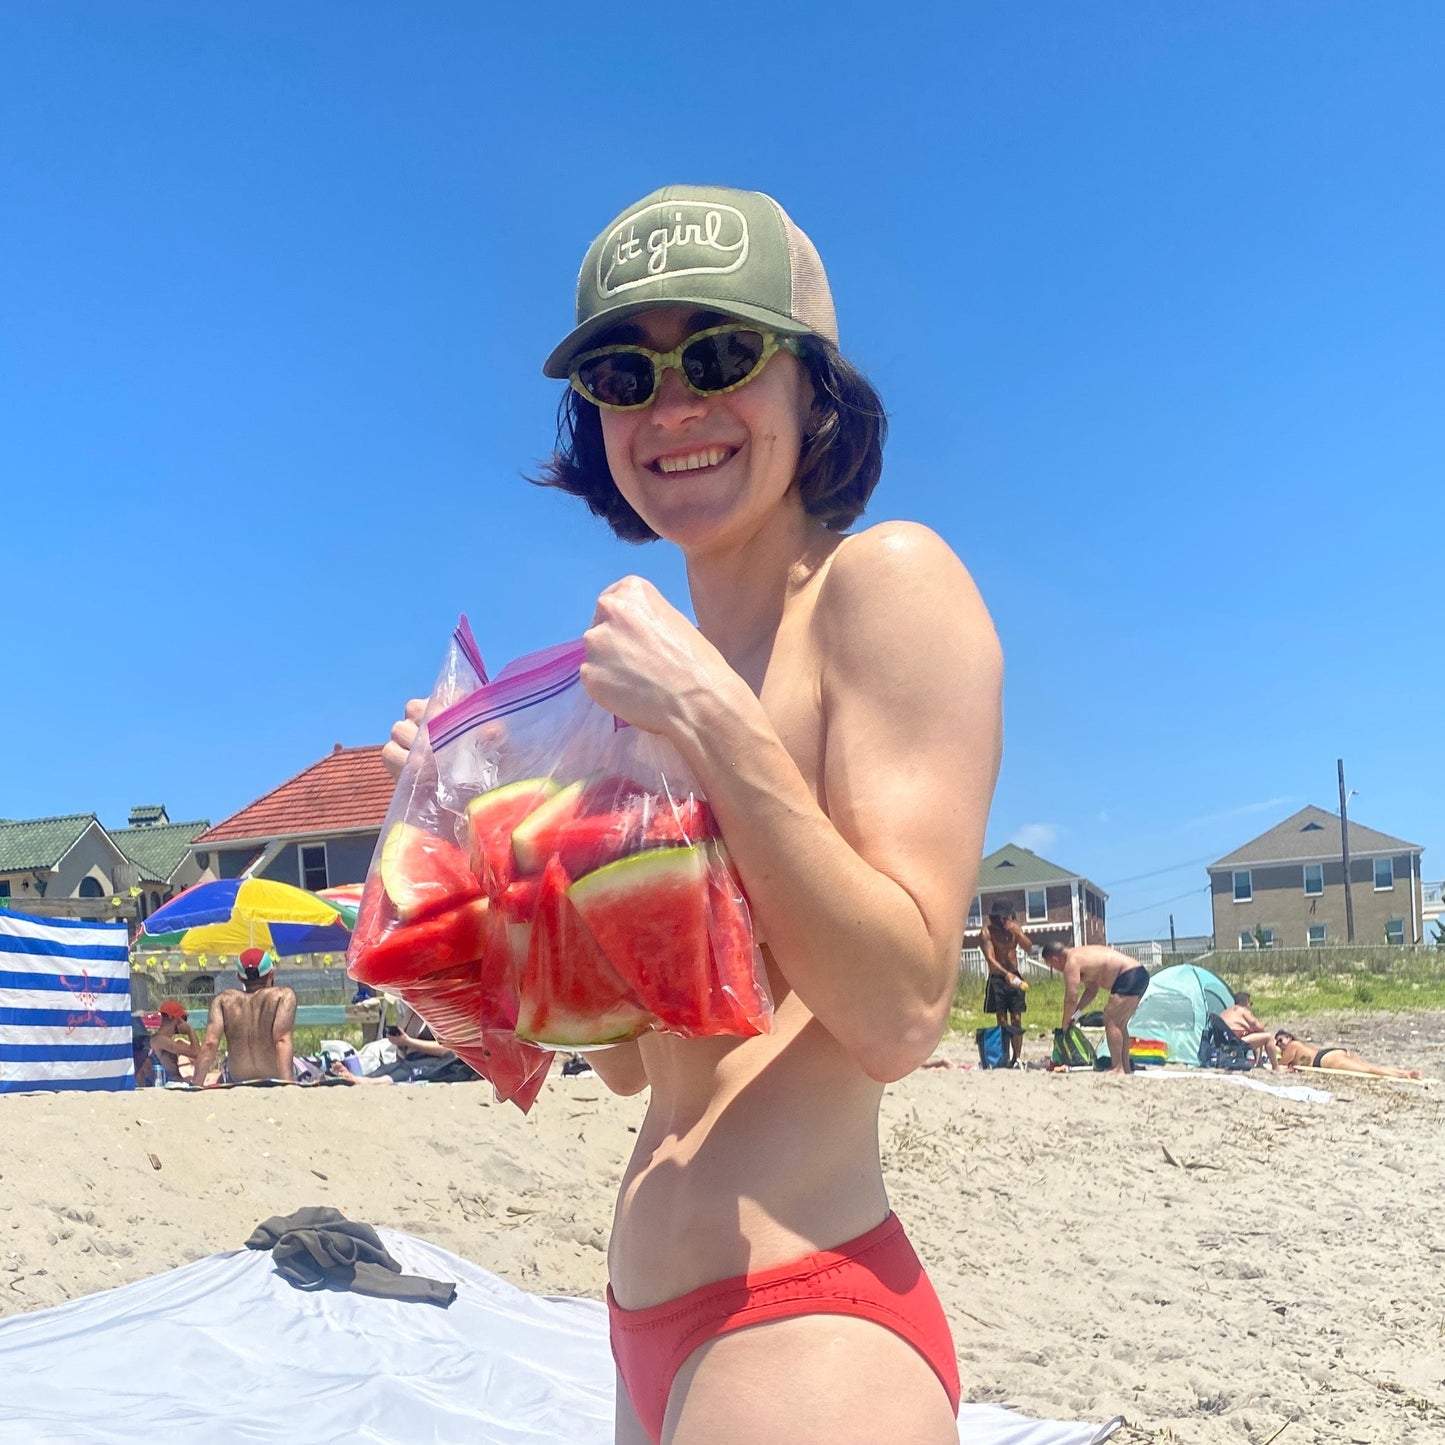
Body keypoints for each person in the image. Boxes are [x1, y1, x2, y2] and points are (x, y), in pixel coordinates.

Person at [383, 185, 1002, 1444]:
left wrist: (712, 720)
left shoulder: (877, 587)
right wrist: (471, 863)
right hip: (644, 1322)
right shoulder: (628, 692)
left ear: (811, 388)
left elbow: (898, 1010)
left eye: (718, 357)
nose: (672, 408)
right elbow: (622, 1061)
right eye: (625, 372)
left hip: (803, 1318)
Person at [1040, 940, 1149, 1077]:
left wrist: (1065, 1023)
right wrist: (1076, 1014)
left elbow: (1071, 998)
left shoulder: (1071, 962)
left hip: (1128, 975)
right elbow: (1092, 990)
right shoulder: (1081, 956)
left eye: (1051, 965)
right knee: (1119, 1024)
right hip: (1138, 974)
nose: (1054, 969)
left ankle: (1118, 1067)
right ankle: (1125, 1066)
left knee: (1111, 1020)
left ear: (1055, 959)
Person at [191, 947, 298, 1086]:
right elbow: (282, 1040)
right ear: (271, 973)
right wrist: (287, 1085)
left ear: (239, 976)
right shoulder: (283, 995)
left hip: (238, 1079)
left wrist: (196, 1085)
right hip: (274, 1077)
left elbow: (210, 1043)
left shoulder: (223, 1000)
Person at [976, 900, 1033, 1067]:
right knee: (1001, 1019)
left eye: (1005, 917)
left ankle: (1017, 1057)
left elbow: (1029, 948)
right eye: (999, 918)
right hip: (998, 978)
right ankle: (1004, 1056)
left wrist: (1019, 934)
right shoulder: (987, 932)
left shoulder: (1014, 929)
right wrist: (1005, 974)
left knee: (1017, 1017)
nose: (1002, 921)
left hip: (1015, 975)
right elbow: (990, 959)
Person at [1273, 1030, 1423, 1079]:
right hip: (1330, 1053)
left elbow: (1280, 1065)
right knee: (1369, 1066)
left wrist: (1278, 1054)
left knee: (1367, 1070)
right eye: (1277, 1043)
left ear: (1289, 1038)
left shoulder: (1292, 1046)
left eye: (1280, 1040)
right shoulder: (1300, 1045)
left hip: (1324, 1059)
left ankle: (1403, 1074)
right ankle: (1402, 1072)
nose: (1279, 1044)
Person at [1217, 991, 1281, 1070]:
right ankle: (1275, 1067)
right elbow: (1260, 1027)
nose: (1250, 1006)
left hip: (1224, 1042)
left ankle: (1259, 1063)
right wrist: (1249, 1028)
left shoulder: (1225, 1012)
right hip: (1236, 1042)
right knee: (1268, 1037)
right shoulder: (1243, 1010)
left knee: (1257, 1034)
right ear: (1245, 1002)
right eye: (1250, 1004)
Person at [150, 998, 201, 1082]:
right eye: (183, 1019)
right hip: (166, 1082)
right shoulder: (160, 1040)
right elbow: (195, 1052)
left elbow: (198, 1054)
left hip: (173, 1080)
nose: (183, 1023)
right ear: (175, 1018)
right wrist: (189, 1030)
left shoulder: (164, 1040)